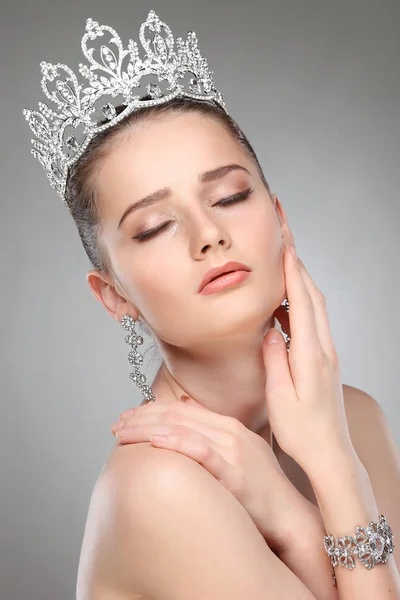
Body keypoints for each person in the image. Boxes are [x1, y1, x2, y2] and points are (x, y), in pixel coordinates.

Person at [23, 10, 399, 600]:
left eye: (228, 195)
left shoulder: (355, 421)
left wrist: (328, 462)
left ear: (279, 218)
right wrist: (304, 521)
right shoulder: (157, 486)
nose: (208, 234)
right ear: (114, 295)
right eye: (153, 227)